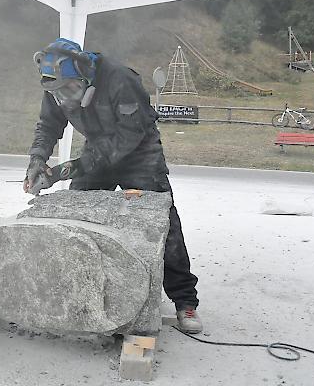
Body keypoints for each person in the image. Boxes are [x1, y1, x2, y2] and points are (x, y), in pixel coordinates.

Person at [22, 38, 202, 334]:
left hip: (140, 152)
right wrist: (37, 159)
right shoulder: (57, 86)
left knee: (162, 224)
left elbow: (128, 136)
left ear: (85, 74)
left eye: (70, 91)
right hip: (96, 149)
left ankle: (184, 300)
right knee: (76, 217)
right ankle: (82, 288)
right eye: (58, 94)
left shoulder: (120, 79)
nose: (65, 99)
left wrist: (72, 168)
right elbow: (48, 125)